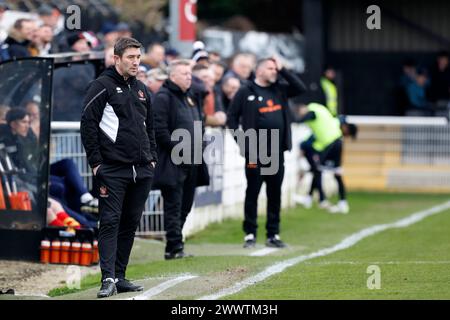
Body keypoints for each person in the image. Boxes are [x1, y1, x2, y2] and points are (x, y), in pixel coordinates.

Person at [80, 37, 157, 298]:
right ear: (116, 59)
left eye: (138, 57)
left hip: (142, 170)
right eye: (131, 57)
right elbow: (87, 125)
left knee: (130, 223)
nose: (136, 62)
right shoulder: (101, 86)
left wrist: (152, 157)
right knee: (110, 222)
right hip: (112, 170)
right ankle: (107, 278)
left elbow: (151, 127)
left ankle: (120, 276)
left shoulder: (142, 89)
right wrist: (96, 163)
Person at [227, 56, 306, 248]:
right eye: (271, 68)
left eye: (276, 69)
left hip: (276, 151)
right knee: (253, 191)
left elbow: (300, 88)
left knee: (274, 193)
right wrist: (243, 143)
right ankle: (250, 234)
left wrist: (283, 68)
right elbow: (231, 118)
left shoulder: (279, 88)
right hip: (255, 151)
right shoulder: (246, 90)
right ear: (260, 70)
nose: (275, 72)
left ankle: (273, 234)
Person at [152, 59, 210, 260]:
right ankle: (174, 247)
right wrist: (179, 149)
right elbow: (159, 130)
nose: (189, 77)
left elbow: (200, 123)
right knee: (173, 205)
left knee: (186, 205)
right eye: (185, 74)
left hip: (193, 159)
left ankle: (176, 244)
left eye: (190, 74)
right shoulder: (163, 97)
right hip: (173, 160)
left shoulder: (191, 96)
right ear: (172, 76)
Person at [295, 103, 357, 214]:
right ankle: (341, 202)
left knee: (319, 170)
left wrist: (296, 121)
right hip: (335, 143)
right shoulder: (322, 110)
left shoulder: (312, 111)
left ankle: (319, 200)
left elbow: (307, 118)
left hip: (330, 144)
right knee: (324, 171)